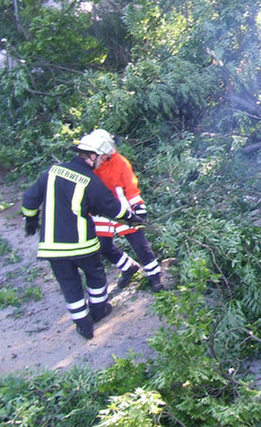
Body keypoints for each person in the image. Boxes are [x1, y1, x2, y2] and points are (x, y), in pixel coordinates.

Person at [21, 132, 143, 340]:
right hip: (83, 245)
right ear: (93, 155)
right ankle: (99, 310)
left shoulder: (51, 172)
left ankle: (83, 326)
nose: (103, 162)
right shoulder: (90, 181)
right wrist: (132, 218)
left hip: (52, 247)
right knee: (96, 277)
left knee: (69, 285)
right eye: (103, 158)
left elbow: (29, 199)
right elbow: (111, 208)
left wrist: (31, 219)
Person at [86, 129, 165, 293]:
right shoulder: (89, 162)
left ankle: (155, 277)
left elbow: (130, 185)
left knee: (139, 244)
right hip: (100, 207)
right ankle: (128, 267)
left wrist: (138, 207)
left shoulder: (120, 162)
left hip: (121, 205)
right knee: (102, 246)